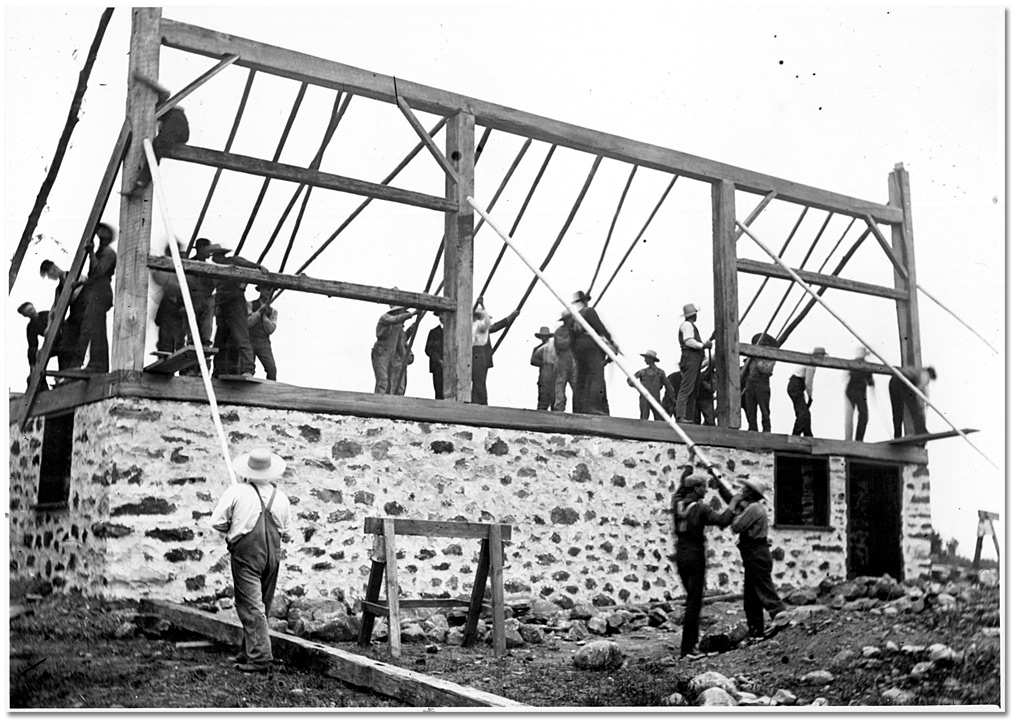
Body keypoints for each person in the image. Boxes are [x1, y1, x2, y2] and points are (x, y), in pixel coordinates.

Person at [211, 448, 291, 674]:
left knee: (250, 606)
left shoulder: (237, 492)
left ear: (248, 470)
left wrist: (234, 527)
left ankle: (260, 658)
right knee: (260, 605)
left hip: (247, 554)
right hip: (272, 555)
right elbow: (286, 532)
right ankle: (248, 652)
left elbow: (217, 522)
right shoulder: (281, 497)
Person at [671, 470, 739, 658]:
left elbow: (680, 488)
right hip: (695, 556)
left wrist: (689, 462)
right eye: (703, 487)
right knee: (694, 602)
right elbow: (723, 521)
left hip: (681, 555)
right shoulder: (701, 509)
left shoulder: (676, 503)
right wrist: (733, 503)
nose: (706, 491)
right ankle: (688, 648)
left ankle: (689, 644)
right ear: (695, 488)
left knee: (691, 599)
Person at [730, 477, 789, 640]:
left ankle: (781, 619)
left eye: (746, 489)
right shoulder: (754, 508)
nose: (743, 491)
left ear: (751, 493)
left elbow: (736, 527)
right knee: (751, 598)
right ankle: (756, 632)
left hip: (755, 553)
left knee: (765, 591)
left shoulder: (754, 508)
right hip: (754, 553)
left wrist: (734, 505)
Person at [123, 71, 190, 198]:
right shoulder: (145, 109)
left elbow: (165, 92)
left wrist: (142, 78)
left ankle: (141, 184)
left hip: (178, 124)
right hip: (176, 130)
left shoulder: (159, 102)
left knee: (159, 145)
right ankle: (140, 184)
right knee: (155, 147)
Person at [210, 244, 265, 378]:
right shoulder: (215, 270)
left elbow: (247, 264)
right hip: (222, 304)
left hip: (235, 302)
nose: (213, 259)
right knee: (220, 340)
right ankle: (218, 370)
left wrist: (258, 267)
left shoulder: (233, 261)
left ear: (219, 256)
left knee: (241, 336)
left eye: (215, 256)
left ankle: (248, 369)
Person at [72, 223, 117, 372]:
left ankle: (96, 364)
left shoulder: (109, 253)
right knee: (95, 327)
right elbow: (93, 275)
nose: (99, 232)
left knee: (93, 327)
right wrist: (79, 283)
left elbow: (98, 271)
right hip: (96, 291)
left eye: (102, 230)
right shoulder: (101, 252)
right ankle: (97, 364)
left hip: (101, 292)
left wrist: (91, 253)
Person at [569, 290, 617, 415]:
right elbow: (600, 328)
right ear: (585, 301)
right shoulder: (589, 311)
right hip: (590, 345)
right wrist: (611, 341)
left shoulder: (575, 316)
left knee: (582, 377)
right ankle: (594, 406)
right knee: (596, 375)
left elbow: (571, 337)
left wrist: (575, 351)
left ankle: (578, 408)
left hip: (578, 348)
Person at [180, 238, 220, 375]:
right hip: (193, 299)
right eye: (207, 249)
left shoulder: (210, 267)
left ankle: (203, 371)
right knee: (192, 337)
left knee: (205, 337)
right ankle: (190, 369)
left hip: (207, 300)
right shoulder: (189, 263)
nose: (209, 252)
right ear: (200, 248)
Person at [471, 297, 520, 405]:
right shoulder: (476, 327)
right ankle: (482, 404)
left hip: (479, 357)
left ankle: (476, 404)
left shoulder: (477, 327)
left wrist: (482, 306)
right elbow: (494, 326)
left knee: (478, 383)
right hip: (478, 357)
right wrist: (510, 317)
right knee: (479, 383)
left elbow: (490, 324)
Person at [40, 259, 87, 370]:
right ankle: (67, 371)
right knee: (66, 341)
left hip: (84, 311)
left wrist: (67, 298)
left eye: (48, 275)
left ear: (53, 269)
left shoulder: (74, 275)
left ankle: (76, 367)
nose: (50, 277)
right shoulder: (58, 289)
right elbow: (54, 308)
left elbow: (83, 284)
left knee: (80, 342)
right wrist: (48, 326)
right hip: (74, 316)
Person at [675, 303, 712, 423]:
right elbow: (689, 341)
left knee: (692, 390)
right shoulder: (687, 325)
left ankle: (688, 417)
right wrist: (703, 345)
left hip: (694, 360)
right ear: (693, 315)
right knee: (686, 388)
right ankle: (681, 416)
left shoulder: (690, 326)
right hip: (690, 359)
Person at [372, 306, 415, 395]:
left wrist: (410, 330)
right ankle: (379, 403)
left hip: (391, 356)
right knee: (383, 382)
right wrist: (412, 314)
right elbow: (394, 320)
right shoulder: (386, 318)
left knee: (397, 386)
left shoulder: (399, 329)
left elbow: (401, 341)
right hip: (381, 353)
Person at [153, 243, 186, 355]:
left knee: (178, 341)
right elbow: (159, 278)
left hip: (178, 306)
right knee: (167, 341)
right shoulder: (167, 266)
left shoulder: (181, 265)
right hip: (169, 306)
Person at [889, 365, 938, 438]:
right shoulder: (925, 375)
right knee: (917, 410)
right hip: (905, 382)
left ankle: (897, 435)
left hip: (894, 380)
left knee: (897, 411)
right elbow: (919, 389)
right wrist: (924, 404)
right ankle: (921, 432)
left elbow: (924, 390)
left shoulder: (917, 371)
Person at [17, 302, 57, 390]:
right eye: (28, 312)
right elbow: (32, 345)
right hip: (52, 345)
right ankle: (42, 386)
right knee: (37, 357)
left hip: (62, 339)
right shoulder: (31, 327)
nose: (31, 312)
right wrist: (32, 364)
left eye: (31, 309)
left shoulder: (46, 314)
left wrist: (49, 328)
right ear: (25, 315)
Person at [743, 332, 776, 433]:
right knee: (750, 406)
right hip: (751, 381)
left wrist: (756, 358)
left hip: (762, 382)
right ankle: (752, 428)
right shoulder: (751, 358)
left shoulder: (771, 358)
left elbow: (764, 369)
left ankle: (766, 429)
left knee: (764, 408)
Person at [787, 346, 825, 437]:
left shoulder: (808, 359)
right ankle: (796, 435)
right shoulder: (811, 363)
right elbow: (808, 382)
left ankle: (808, 435)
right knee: (803, 413)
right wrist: (810, 396)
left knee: (804, 412)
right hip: (796, 385)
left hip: (795, 385)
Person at [629, 349, 673, 420]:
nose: (644, 360)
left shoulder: (660, 372)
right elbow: (630, 380)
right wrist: (638, 387)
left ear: (651, 359)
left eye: (646, 358)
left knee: (659, 419)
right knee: (644, 419)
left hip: (656, 399)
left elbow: (668, 386)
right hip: (644, 398)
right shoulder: (642, 372)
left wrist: (672, 398)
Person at [248, 286, 279, 381]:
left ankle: (271, 391)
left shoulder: (273, 311)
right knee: (248, 369)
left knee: (272, 369)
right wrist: (259, 312)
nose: (268, 292)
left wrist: (265, 317)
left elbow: (270, 330)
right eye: (266, 288)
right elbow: (248, 323)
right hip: (250, 340)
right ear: (260, 289)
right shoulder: (250, 305)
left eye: (270, 289)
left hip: (264, 342)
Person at [845, 346, 875, 441]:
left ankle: (849, 438)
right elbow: (870, 382)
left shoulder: (852, 364)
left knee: (850, 417)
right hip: (859, 392)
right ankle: (859, 439)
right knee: (863, 415)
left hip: (850, 391)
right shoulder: (866, 365)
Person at [552, 310, 576, 412]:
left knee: (578, 387)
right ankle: (559, 410)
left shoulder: (576, 330)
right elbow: (562, 344)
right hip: (563, 361)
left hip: (575, 361)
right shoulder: (559, 332)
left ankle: (579, 410)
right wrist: (572, 336)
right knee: (560, 388)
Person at [531, 326, 557, 411]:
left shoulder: (555, 348)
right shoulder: (538, 349)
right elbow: (533, 361)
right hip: (543, 377)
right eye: (543, 336)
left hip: (554, 377)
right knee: (543, 401)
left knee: (555, 401)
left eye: (545, 336)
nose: (544, 338)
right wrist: (545, 364)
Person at [424, 313, 444, 399]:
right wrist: (439, 360)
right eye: (441, 315)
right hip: (438, 367)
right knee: (439, 391)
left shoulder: (455, 332)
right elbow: (429, 349)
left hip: (452, 366)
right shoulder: (434, 332)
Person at [694, 351, 716, 426]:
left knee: (710, 420)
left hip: (706, 398)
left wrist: (703, 382)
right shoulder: (700, 373)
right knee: (696, 419)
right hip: (697, 397)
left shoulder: (712, 375)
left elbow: (712, 389)